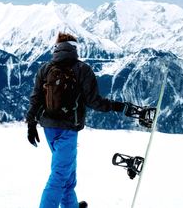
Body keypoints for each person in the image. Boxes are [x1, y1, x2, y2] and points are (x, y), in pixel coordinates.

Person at [26, 32, 127, 208]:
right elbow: (94, 101)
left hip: (49, 128)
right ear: (74, 48)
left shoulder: (44, 69)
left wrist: (31, 124)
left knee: (67, 174)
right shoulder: (82, 69)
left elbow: (36, 99)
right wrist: (118, 106)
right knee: (59, 175)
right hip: (68, 130)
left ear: (57, 48)